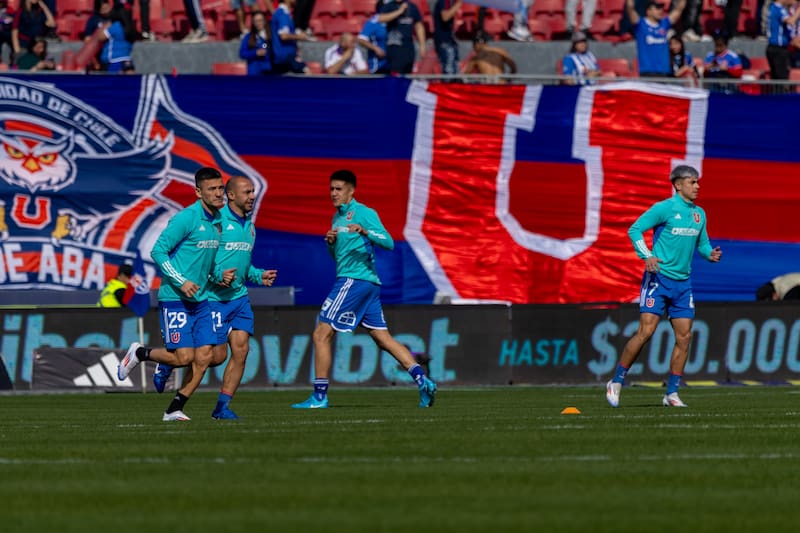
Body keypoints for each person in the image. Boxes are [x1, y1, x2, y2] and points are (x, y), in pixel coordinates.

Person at [291, 169, 438, 409]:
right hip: (366, 284)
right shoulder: (336, 219)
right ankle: (423, 381)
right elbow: (338, 257)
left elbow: (388, 242)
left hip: (354, 281)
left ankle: (319, 396)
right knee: (383, 339)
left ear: (351, 190)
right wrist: (331, 244)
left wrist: (366, 231)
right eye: (331, 189)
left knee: (321, 334)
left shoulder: (364, 213)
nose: (333, 193)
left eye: (338, 189)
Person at [153, 176, 278, 419]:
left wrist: (257, 275)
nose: (252, 196)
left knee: (241, 351)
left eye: (253, 191)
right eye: (247, 192)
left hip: (239, 297)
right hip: (212, 299)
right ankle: (170, 361)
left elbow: (243, 265)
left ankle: (221, 408)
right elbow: (204, 263)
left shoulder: (249, 226)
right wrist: (216, 277)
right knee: (214, 356)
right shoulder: (218, 223)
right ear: (232, 196)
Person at [117, 167, 236, 421]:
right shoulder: (187, 218)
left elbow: (207, 263)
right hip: (175, 297)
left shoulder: (218, 222)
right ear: (198, 192)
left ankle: (174, 409)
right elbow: (158, 251)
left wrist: (218, 276)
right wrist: (181, 282)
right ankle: (140, 353)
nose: (218, 194)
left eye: (220, 189)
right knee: (184, 357)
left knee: (208, 357)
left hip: (201, 299)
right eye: (212, 189)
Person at [605, 165, 722, 409]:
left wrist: (709, 253)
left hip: (683, 284)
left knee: (685, 337)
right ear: (678, 185)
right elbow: (634, 229)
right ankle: (616, 381)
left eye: (698, 182)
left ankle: (671, 393)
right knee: (646, 332)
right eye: (692, 182)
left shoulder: (700, 213)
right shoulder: (664, 208)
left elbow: (702, 243)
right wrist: (646, 255)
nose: (697, 186)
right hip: (658, 279)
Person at [626, 0, 686, 77]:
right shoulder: (641, 25)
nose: (660, 11)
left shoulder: (664, 24)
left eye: (661, 8)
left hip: (664, 72)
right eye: (657, 8)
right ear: (648, 11)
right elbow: (630, 9)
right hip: (647, 72)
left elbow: (679, 9)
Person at [379, 0, 426, 74]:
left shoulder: (412, 6)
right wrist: (399, 11)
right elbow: (381, 18)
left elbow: (418, 26)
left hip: (409, 47)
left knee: (408, 73)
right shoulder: (389, 6)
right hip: (394, 47)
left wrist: (422, 45)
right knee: (396, 74)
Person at [271, 0, 312, 74]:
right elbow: (284, 36)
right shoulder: (282, 14)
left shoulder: (283, 13)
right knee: (307, 72)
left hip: (285, 56)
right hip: (285, 56)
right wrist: (300, 37)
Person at [766, 0, 800, 80]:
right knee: (781, 79)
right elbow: (791, 21)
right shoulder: (779, 9)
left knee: (776, 79)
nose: (793, 2)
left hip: (773, 48)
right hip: (779, 49)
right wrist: (799, 11)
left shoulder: (772, 7)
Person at [432, 0, 462, 75]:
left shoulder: (450, 2)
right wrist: (458, 4)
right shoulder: (445, 1)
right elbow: (445, 17)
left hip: (450, 41)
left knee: (455, 70)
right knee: (449, 71)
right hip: (444, 41)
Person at [239, 10, 272, 75]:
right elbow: (242, 53)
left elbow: (266, 47)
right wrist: (255, 53)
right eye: (256, 21)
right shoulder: (248, 37)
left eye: (260, 20)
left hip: (269, 71)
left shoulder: (271, 35)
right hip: (254, 72)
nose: (258, 23)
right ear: (253, 23)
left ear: (264, 21)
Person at [358, 9, 389, 74]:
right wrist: (376, 49)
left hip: (394, 63)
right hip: (378, 65)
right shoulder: (373, 22)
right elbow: (361, 39)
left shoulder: (396, 21)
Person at [0, 0, 14, 67]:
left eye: (1, 3)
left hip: (6, 33)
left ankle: (10, 63)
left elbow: (11, 19)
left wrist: (6, 20)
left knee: (7, 48)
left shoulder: (8, 10)